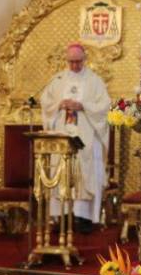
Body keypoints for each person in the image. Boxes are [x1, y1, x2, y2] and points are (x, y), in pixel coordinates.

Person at [40, 43, 111, 233]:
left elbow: (104, 107)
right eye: (71, 62)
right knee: (61, 172)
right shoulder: (58, 80)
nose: (74, 66)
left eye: (78, 61)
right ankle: (61, 216)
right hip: (62, 136)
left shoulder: (95, 81)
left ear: (85, 59)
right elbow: (45, 102)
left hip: (86, 137)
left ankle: (83, 217)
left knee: (84, 172)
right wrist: (59, 104)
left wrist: (83, 105)